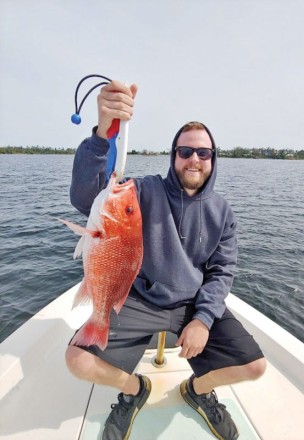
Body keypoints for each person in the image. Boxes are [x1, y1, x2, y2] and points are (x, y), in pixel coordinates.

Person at [66, 80, 266, 440]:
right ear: (173, 155)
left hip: (191, 303)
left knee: (255, 366)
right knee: (78, 360)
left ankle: (198, 391)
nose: (194, 159)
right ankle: (133, 390)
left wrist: (204, 320)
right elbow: (86, 197)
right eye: (185, 151)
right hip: (140, 298)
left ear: (213, 159)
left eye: (203, 153)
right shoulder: (142, 191)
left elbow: (221, 272)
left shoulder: (223, 212)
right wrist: (102, 133)